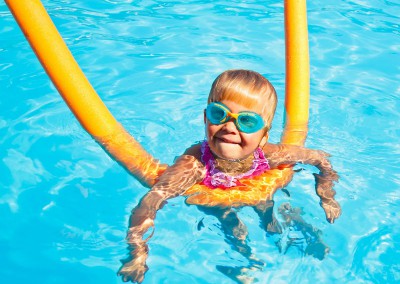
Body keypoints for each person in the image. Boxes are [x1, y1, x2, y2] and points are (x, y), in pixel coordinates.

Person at [117, 69, 340, 283]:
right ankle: (245, 261)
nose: (230, 127)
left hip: (258, 190)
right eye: (219, 114)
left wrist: (326, 194)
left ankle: (303, 236)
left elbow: (319, 159)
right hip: (214, 199)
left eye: (247, 121)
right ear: (205, 119)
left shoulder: (269, 155)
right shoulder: (194, 164)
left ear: (263, 136)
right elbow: (150, 202)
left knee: (272, 213)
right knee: (232, 228)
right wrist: (138, 252)